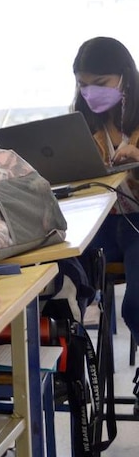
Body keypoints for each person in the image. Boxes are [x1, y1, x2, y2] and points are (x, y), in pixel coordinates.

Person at [75, 37, 139, 396]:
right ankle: (67, 369)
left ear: (125, 77)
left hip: (136, 224)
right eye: (83, 85)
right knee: (57, 278)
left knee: (137, 302)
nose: (90, 93)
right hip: (98, 222)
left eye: (100, 84)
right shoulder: (82, 124)